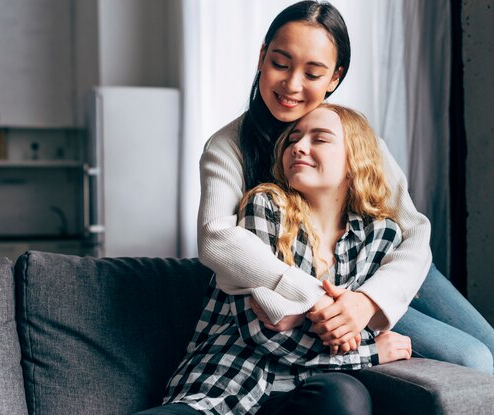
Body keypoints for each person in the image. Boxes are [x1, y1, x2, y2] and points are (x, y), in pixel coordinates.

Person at [196, 0, 494, 374]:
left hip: (390, 272)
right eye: (280, 64)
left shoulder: (353, 137)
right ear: (261, 57)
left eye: (313, 73)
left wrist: (368, 301)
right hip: (331, 285)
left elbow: (414, 231)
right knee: (473, 359)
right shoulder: (228, 145)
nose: (292, 84)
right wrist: (312, 296)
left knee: (490, 344)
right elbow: (216, 238)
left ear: (334, 78)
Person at [138, 103, 412, 415]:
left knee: (345, 395)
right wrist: (370, 352)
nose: (299, 147)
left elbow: (355, 329)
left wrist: (298, 315)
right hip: (223, 387)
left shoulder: (380, 234)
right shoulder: (264, 206)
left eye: (319, 139)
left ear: (354, 160)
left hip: (306, 394)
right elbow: (260, 332)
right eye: (293, 139)